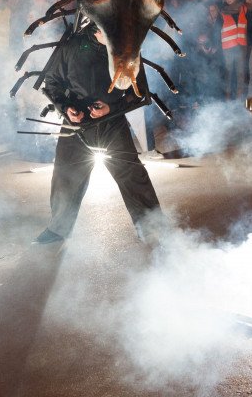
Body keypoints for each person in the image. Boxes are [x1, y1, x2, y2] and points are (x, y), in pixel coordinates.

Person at [33, 24, 163, 245]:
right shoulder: (71, 46)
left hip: (112, 122)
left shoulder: (126, 50)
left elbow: (138, 91)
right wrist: (67, 109)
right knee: (65, 174)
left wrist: (112, 107)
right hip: (76, 124)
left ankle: (151, 225)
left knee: (131, 173)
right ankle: (58, 229)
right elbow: (52, 83)